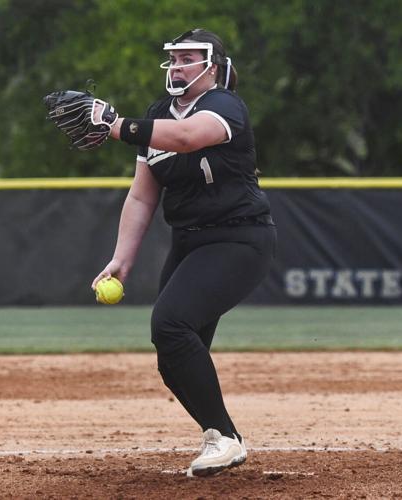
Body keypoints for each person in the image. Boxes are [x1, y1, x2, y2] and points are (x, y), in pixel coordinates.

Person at [90, 29, 277, 476]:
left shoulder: (225, 105)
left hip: (239, 238)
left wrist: (118, 126)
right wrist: (122, 257)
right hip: (190, 241)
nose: (177, 66)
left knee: (170, 324)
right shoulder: (159, 114)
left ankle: (224, 438)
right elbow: (142, 196)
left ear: (212, 67)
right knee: (172, 358)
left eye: (188, 58)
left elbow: (189, 137)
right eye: (173, 59)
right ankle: (223, 438)